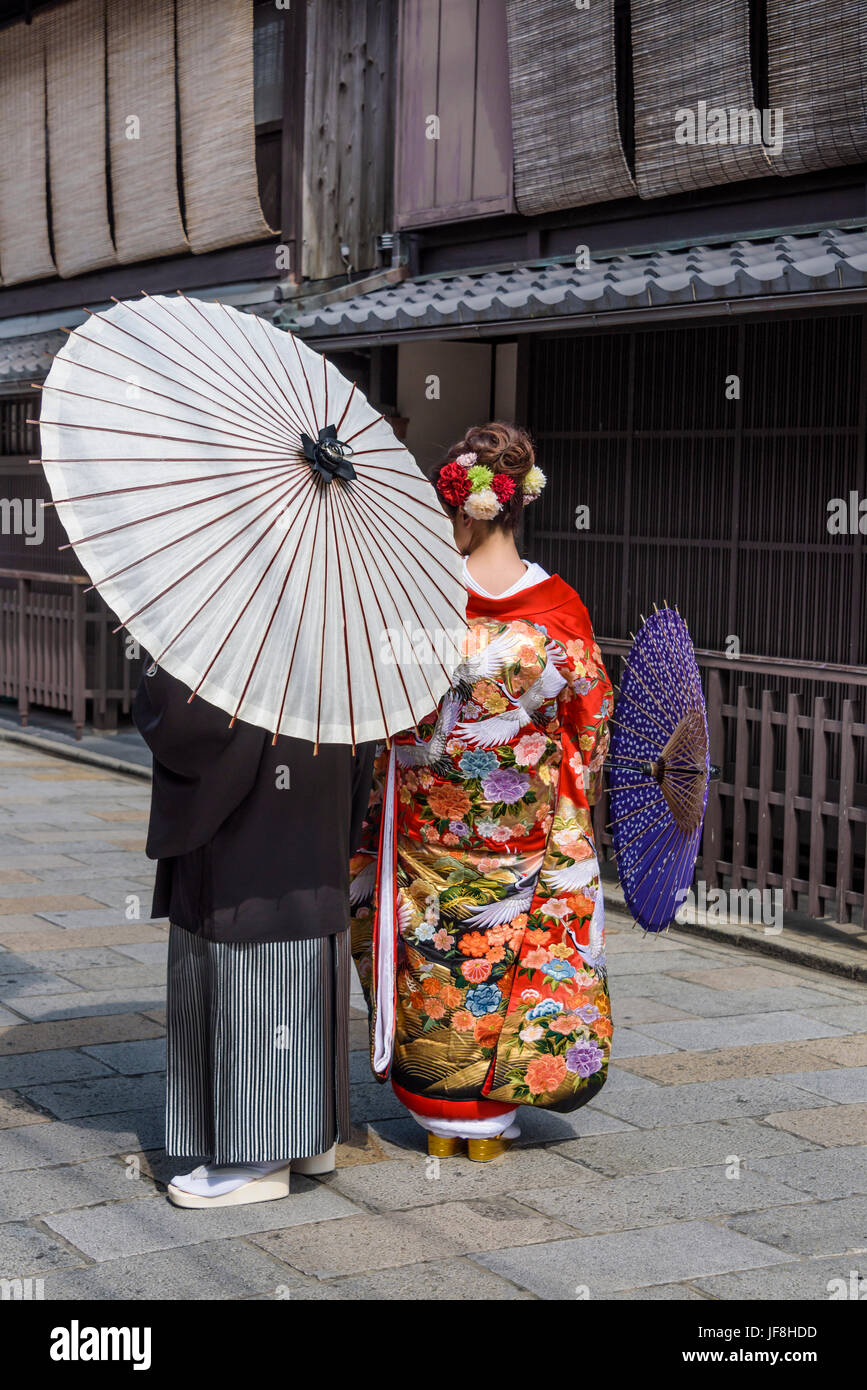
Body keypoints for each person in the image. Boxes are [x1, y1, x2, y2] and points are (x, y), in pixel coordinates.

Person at [350, 422, 612, 1159]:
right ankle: (493, 1119)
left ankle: (440, 1117)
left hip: (422, 830)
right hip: (525, 833)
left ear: (463, 510)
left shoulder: (417, 606)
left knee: (434, 965)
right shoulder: (559, 608)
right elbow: (590, 721)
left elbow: (375, 709)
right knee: (513, 959)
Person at [134, 664, 374, 1207]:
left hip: (249, 829)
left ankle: (257, 1156)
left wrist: (155, 678)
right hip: (319, 800)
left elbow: (187, 725)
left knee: (249, 969)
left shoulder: (231, 632)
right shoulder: (332, 624)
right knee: (303, 949)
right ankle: (313, 1138)